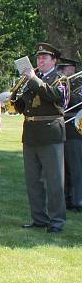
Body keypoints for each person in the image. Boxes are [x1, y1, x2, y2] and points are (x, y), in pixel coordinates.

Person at [14, 43, 68, 233]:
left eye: (45, 57)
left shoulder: (60, 78)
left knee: (54, 180)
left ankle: (57, 221)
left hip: (51, 133)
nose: (40, 61)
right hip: (30, 133)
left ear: (54, 60)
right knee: (33, 181)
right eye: (38, 58)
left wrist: (34, 80)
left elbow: (57, 97)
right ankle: (39, 219)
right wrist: (14, 98)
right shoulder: (31, 80)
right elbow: (23, 107)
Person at [59, 58, 82, 212]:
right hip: (60, 129)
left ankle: (77, 200)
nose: (60, 71)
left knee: (75, 168)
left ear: (72, 69)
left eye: (64, 68)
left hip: (74, 130)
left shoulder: (78, 84)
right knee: (64, 168)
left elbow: (77, 102)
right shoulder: (59, 83)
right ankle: (66, 198)